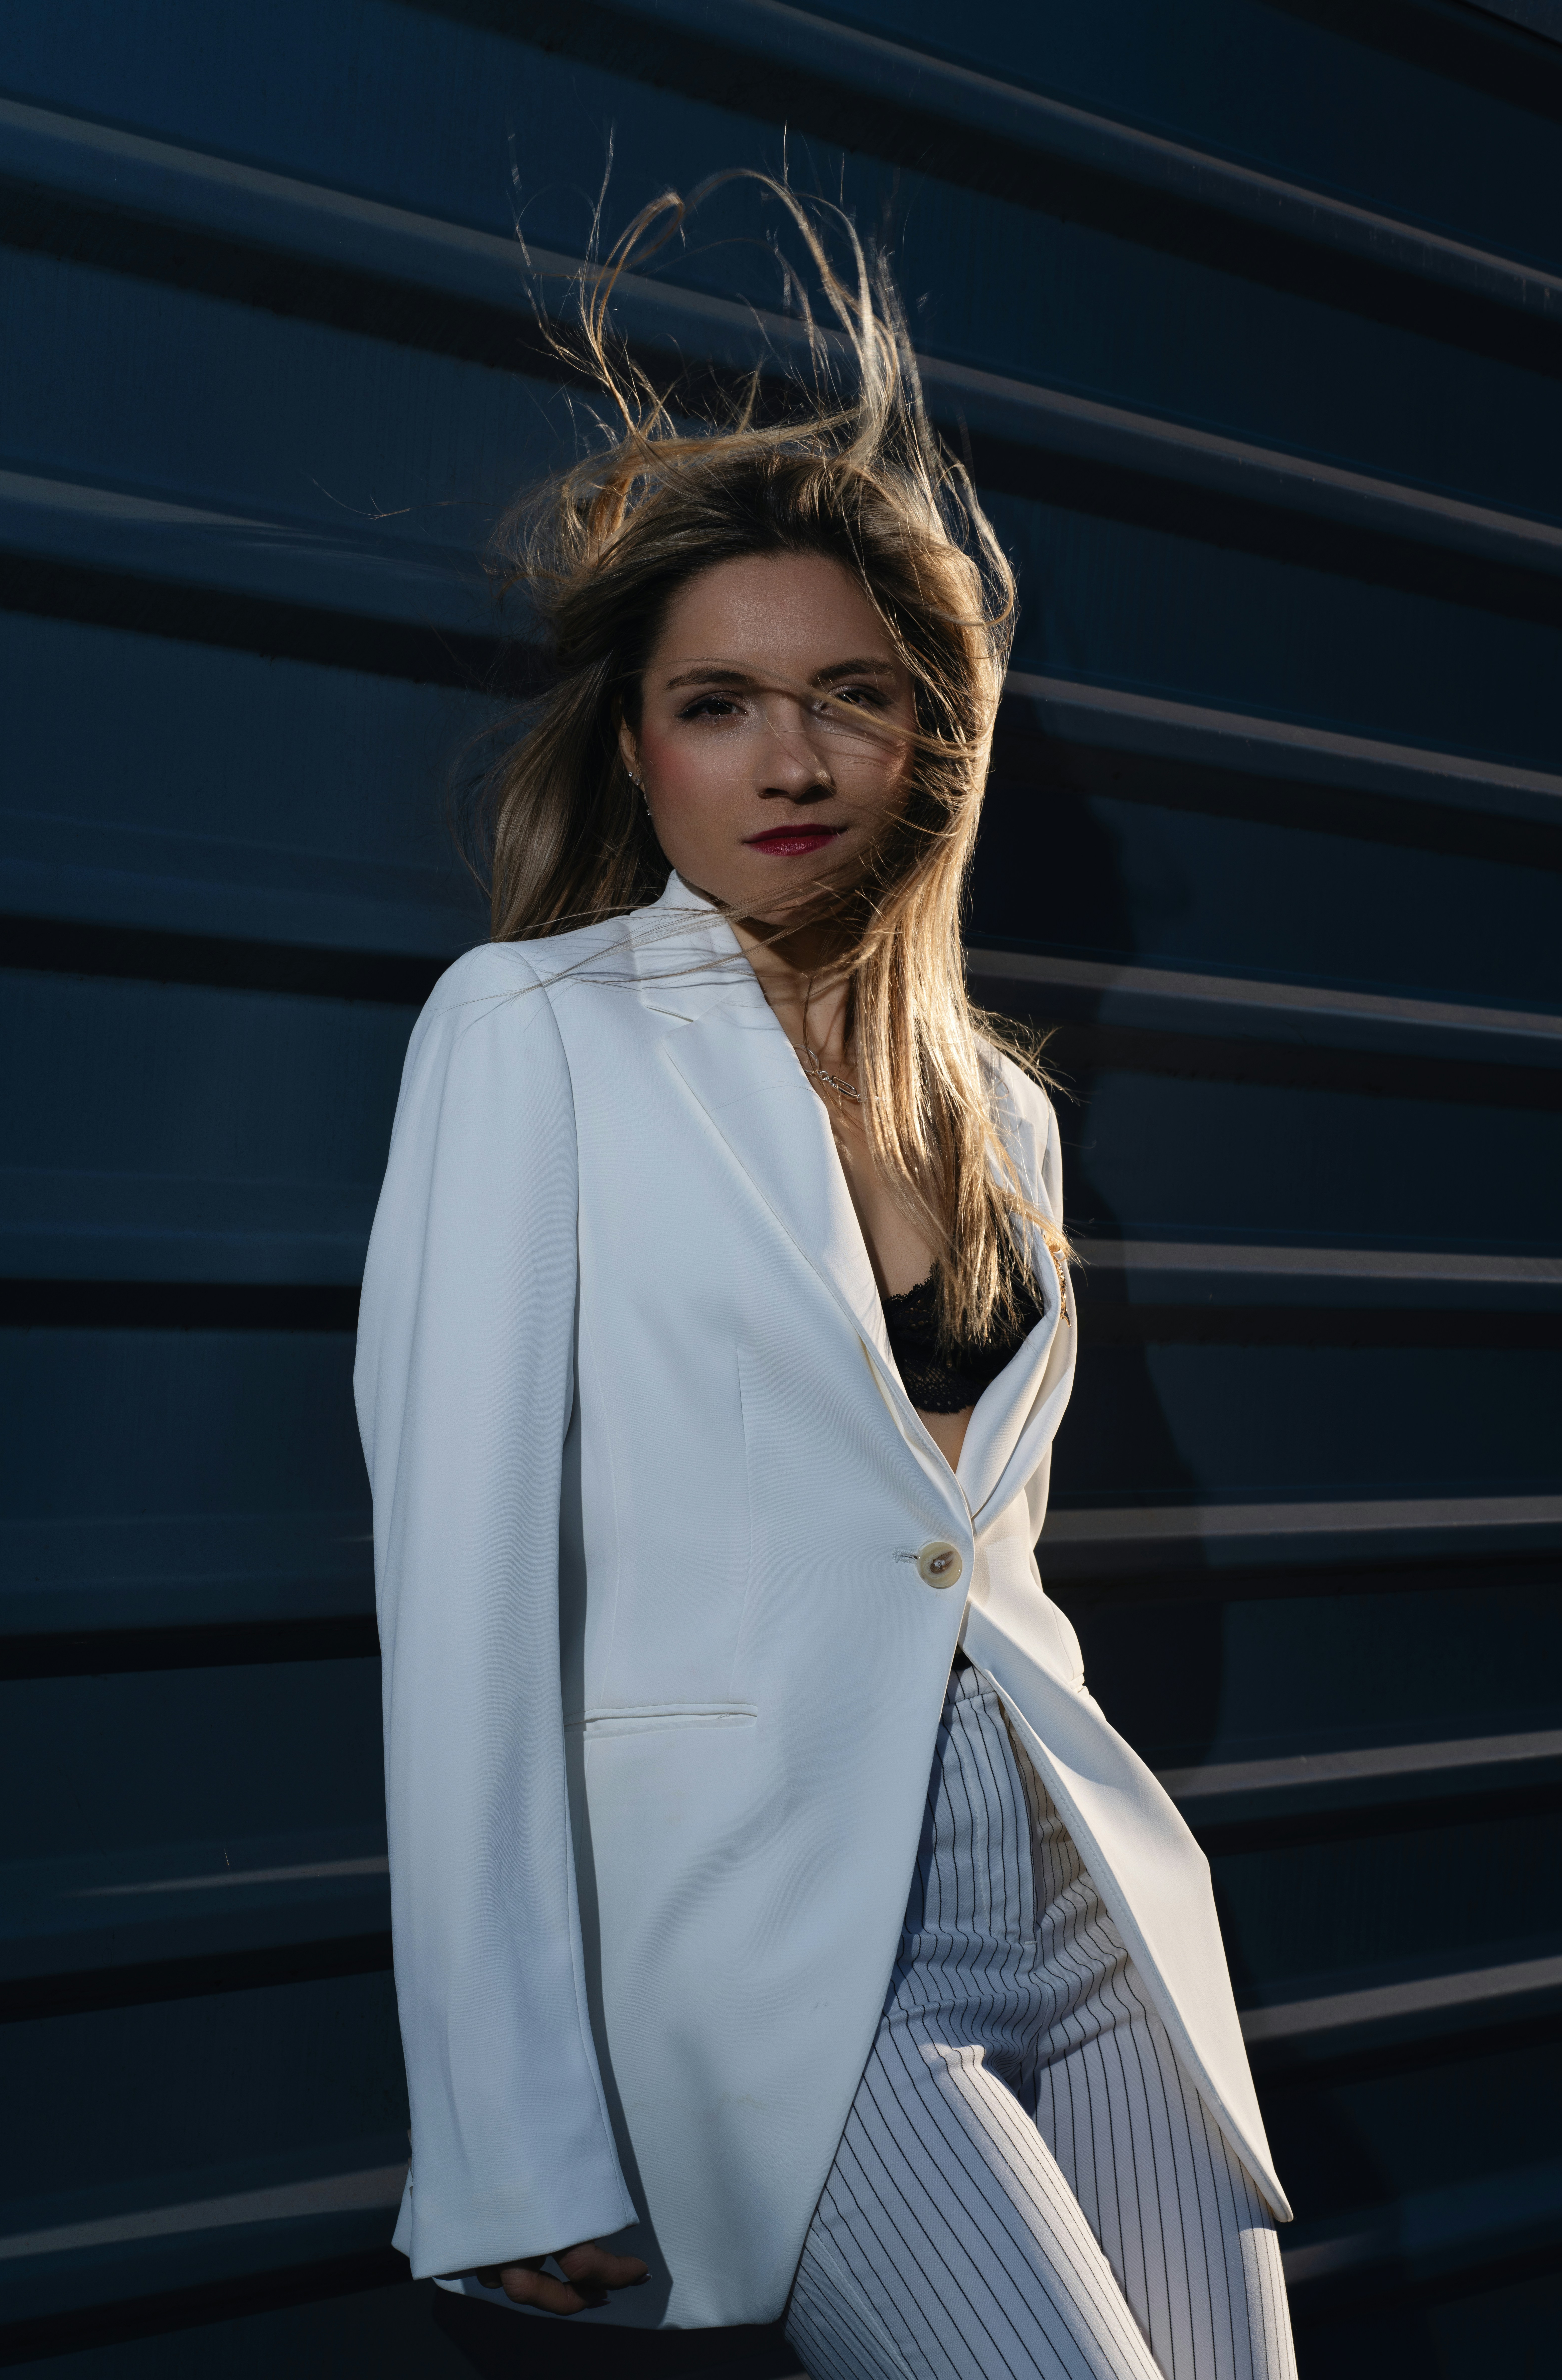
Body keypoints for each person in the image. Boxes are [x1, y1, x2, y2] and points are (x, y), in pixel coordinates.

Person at [355, 183, 1298, 2380]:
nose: (789, 761)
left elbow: (969, 1558)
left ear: (926, 740)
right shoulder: (533, 1037)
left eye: (851, 699)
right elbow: (466, 1604)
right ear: (637, 742)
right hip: (790, 1963)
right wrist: (511, 2136)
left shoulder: (1000, 1111)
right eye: (721, 704)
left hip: (1090, 1925)